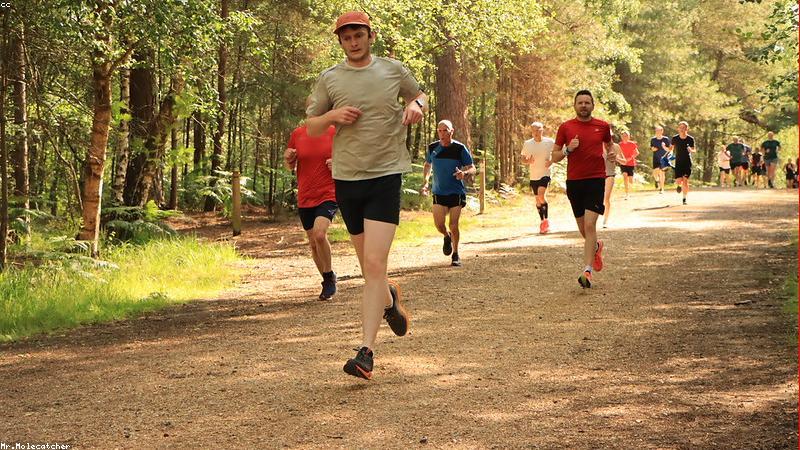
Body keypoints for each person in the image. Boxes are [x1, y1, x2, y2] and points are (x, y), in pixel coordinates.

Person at [305, 11, 427, 380]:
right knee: (369, 269)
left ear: (370, 36)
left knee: (374, 264)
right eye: (346, 37)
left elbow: (419, 94)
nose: (353, 42)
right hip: (347, 178)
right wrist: (332, 116)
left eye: (359, 35)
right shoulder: (331, 78)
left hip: (385, 174)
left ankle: (366, 352)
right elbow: (310, 127)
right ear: (341, 42)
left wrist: (415, 105)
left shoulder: (392, 69)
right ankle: (389, 299)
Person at [550, 89, 615, 288]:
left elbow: (610, 145)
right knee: (582, 229)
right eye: (580, 102)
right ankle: (595, 246)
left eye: (587, 102)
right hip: (574, 182)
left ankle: (587, 271)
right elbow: (554, 156)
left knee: (589, 225)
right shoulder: (566, 127)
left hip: (595, 180)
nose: (584, 105)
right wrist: (568, 149)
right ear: (575, 105)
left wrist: (611, 154)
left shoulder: (603, 126)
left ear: (592, 105)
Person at [284, 122, 339, 300]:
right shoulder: (298, 134)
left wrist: (339, 163)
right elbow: (289, 167)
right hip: (306, 195)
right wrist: (287, 158)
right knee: (313, 243)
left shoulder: (334, 132)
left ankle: (329, 276)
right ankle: (326, 280)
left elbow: (352, 157)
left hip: (329, 193)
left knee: (319, 234)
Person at [421, 120, 476, 266]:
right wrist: (426, 182)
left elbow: (472, 168)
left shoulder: (459, 148)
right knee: (439, 225)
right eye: (439, 131)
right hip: (438, 192)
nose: (442, 133)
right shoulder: (433, 147)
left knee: (453, 224)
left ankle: (456, 254)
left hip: (455, 192)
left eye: (445, 130)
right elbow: (427, 165)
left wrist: (464, 174)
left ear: (452, 131)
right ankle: (446, 237)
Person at [520, 121, 555, 234]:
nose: (535, 132)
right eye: (533, 130)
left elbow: (557, 153)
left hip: (545, 173)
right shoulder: (528, 143)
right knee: (538, 200)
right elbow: (522, 159)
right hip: (533, 175)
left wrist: (551, 161)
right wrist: (527, 161)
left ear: (542, 130)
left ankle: (546, 221)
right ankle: (542, 222)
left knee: (541, 195)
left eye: (537, 130)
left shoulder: (550, 142)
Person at [670, 121, 697, 205]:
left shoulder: (690, 139)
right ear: (678, 129)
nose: (682, 129)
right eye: (680, 127)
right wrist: (666, 149)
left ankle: (684, 198)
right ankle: (678, 185)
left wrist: (691, 150)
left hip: (687, 162)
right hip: (678, 162)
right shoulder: (675, 138)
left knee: (685, 180)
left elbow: (694, 149)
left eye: (684, 128)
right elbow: (671, 148)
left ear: (687, 129)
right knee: (679, 181)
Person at [618, 131, 639, 199]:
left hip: (631, 163)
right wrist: (621, 159)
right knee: (625, 176)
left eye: (626, 136)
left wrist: (630, 158)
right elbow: (618, 153)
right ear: (621, 137)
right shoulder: (619, 145)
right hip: (623, 163)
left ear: (629, 136)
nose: (625, 137)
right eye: (623, 136)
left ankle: (630, 191)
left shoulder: (632, 144)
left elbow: (637, 153)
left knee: (630, 180)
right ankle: (627, 193)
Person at [650, 126, 671, 193]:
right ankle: (656, 180)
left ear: (662, 131)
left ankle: (662, 189)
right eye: (656, 131)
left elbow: (669, 149)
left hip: (664, 158)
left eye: (659, 131)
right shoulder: (653, 139)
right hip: (656, 158)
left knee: (662, 173)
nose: (658, 132)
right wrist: (653, 149)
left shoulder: (666, 139)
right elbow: (651, 148)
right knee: (655, 173)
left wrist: (664, 146)